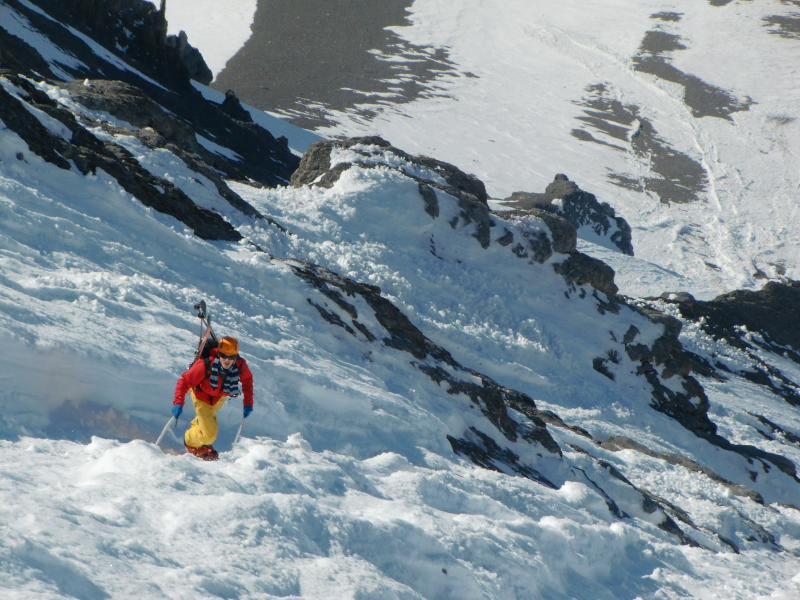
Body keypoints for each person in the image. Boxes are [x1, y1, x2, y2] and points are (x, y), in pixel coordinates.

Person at [172, 336, 254, 460]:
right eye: (223, 356)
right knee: (210, 434)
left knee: (205, 422)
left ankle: (199, 432)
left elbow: (247, 380)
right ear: (219, 354)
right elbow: (184, 381)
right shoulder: (205, 365)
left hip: (219, 397)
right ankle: (190, 440)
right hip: (201, 397)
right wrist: (178, 402)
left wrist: (248, 402)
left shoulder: (239, 365)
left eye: (231, 357)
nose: (227, 360)